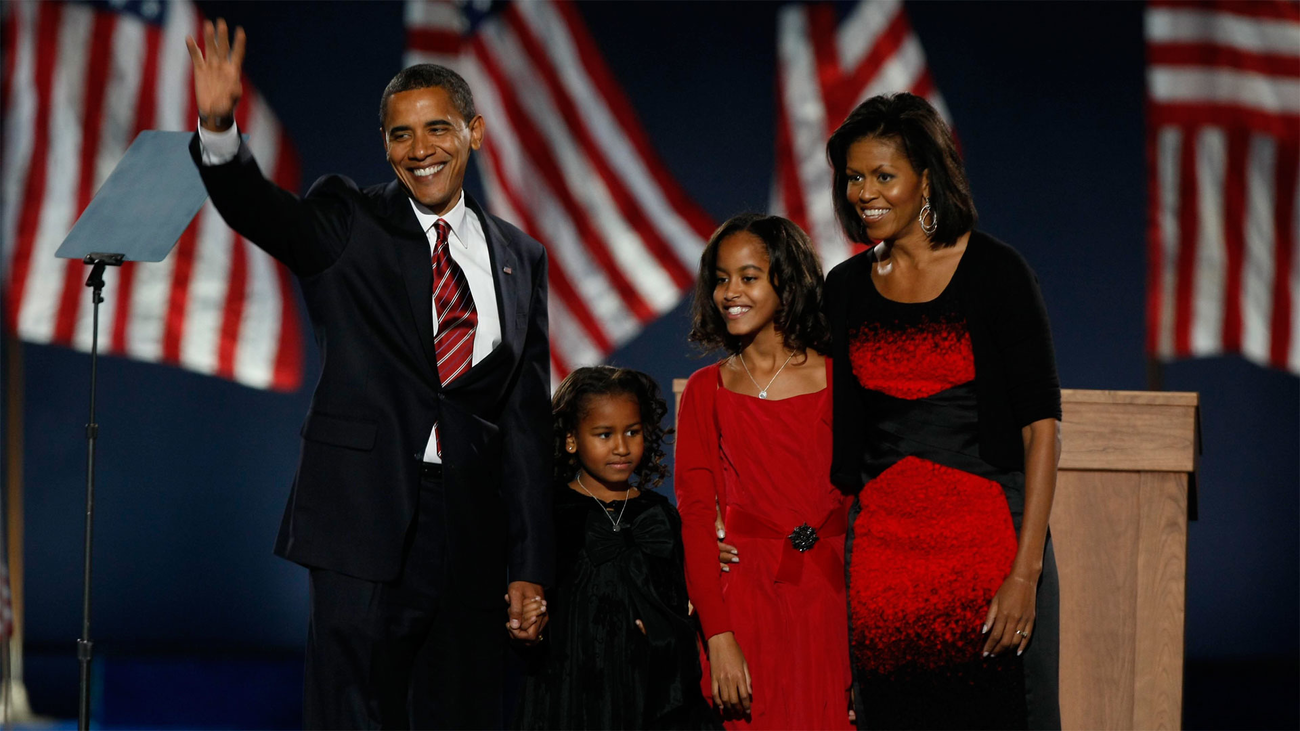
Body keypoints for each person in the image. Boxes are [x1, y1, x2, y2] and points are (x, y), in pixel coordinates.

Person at [185, 20, 553, 728]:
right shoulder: (347, 217)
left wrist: (530, 560)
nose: (419, 150)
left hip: (470, 525)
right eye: (399, 135)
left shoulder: (520, 255)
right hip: (363, 516)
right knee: (351, 710)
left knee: (461, 709)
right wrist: (219, 130)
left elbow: (527, 421)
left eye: (437, 128)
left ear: (475, 133)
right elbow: (264, 214)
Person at [822, 92, 1062, 729]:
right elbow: (813, 413)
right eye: (852, 177)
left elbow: (1042, 428)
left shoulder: (997, 271)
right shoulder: (843, 288)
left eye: (882, 175)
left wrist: (1025, 573)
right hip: (884, 562)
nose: (863, 192)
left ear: (925, 178)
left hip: (989, 551)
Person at [675, 214, 854, 730]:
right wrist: (718, 636)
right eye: (721, 278)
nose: (730, 292)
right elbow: (693, 515)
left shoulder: (841, 380)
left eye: (748, 277)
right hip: (748, 604)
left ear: (787, 282)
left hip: (832, 600)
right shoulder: (706, 390)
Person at [515, 366, 719, 730]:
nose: (622, 447)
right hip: (569, 684)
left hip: (646, 690)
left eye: (632, 432)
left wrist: (662, 635)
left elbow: (678, 607)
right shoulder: (547, 511)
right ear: (572, 439)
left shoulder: (659, 515)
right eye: (604, 434)